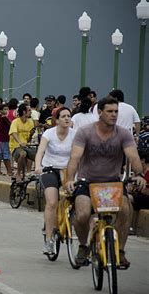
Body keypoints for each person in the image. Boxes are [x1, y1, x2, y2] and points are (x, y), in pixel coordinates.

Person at [65, 96, 146, 268]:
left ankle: (120, 251)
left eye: (116, 111)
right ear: (99, 112)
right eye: (109, 111)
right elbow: (75, 157)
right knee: (83, 214)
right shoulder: (85, 132)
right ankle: (83, 245)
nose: (114, 115)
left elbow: (133, 155)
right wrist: (70, 180)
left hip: (113, 183)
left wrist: (139, 174)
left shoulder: (123, 134)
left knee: (125, 209)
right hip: (87, 183)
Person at [35, 107, 76, 255]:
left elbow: (80, 155)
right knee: (52, 202)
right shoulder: (49, 133)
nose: (67, 119)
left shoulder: (75, 135)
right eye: (63, 116)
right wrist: (38, 166)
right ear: (57, 120)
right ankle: (49, 241)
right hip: (49, 169)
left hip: (68, 171)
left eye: (69, 116)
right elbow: (40, 151)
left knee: (78, 199)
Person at [9, 103, 35, 181]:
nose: (31, 112)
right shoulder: (15, 121)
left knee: (37, 155)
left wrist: (30, 135)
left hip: (25, 146)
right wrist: (20, 142)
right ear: (24, 112)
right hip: (15, 147)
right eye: (29, 110)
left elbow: (28, 140)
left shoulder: (30, 122)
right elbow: (13, 133)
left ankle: (32, 173)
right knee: (23, 154)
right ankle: (18, 173)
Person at [0, 104, 13, 176]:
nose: (6, 111)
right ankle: (9, 171)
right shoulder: (4, 118)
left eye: (7, 109)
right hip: (5, 138)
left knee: (1, 154)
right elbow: (11, 124)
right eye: (5, 109)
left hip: (1, 138)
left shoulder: (0, 118)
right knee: (6, 155)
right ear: (1, 111)